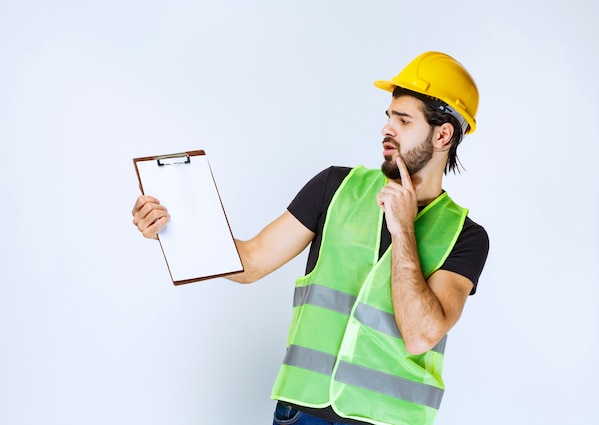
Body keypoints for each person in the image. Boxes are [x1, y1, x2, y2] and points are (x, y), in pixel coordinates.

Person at [132, 51, 489, 425]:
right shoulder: (336, 187)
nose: (387, 129)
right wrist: (171, 229)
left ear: (443, 134)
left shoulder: (465, 236)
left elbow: (420, 336)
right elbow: (250, 262)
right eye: (388, 117)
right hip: (301, 413)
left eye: (403, 120)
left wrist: (402, 229)